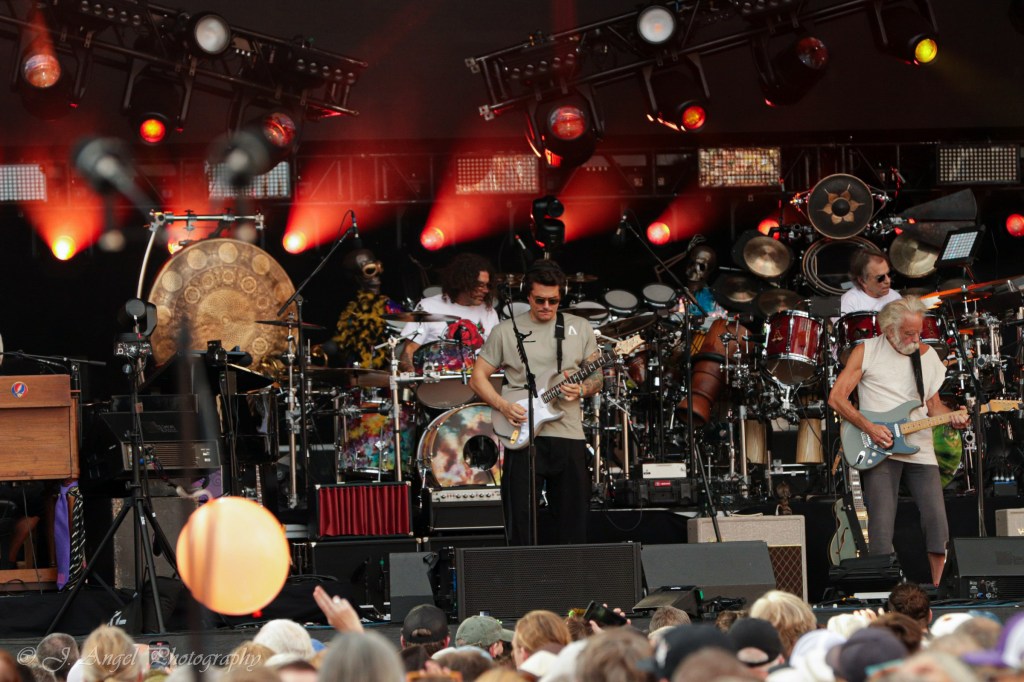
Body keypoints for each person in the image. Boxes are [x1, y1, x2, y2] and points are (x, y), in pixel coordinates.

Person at [828, 296, 969, 585]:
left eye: (918, 331)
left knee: (936, 522)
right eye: (908, 333)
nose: (916, 338)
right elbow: (836, 397)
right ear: (888, 329)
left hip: (921, 447)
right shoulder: (866, 351)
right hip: (879, 446)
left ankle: (940, 590)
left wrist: (953, 416)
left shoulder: (927, 356)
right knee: (881, 525)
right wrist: (869, 427)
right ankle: (883, 590)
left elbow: (934, 407)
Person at [469, 261, 602, 545]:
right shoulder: (506, 331)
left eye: (553, 301)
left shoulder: (578, 327)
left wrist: (583, 388)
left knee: (573, 522)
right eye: (540, 300)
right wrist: (503, 406)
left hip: (568, 433)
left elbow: (597, 377)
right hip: (523, 436)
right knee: (521, 523)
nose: (546, 306)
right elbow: (477, 377)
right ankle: (523, 583)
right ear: (527, 296)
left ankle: (571, 581)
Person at [399, 252, 500, 372]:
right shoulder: (428, 306)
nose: (486, 290)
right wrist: (411, 375)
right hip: (438, 384)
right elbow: (409, 352)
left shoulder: (489, 312)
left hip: (477, 384)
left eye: (487, 285)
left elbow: (497, 356)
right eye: (480, 285)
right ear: (462, 283)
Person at [328, 247, 403, 370]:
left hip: (390, 372)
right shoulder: (351, 313)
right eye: (369, 271)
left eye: (376, 266)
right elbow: (341, 341)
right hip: (361, 374)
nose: (376, 275)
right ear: (356, 278)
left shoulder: (390, 306)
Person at [839, 250, 902, 315]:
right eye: (880, 278)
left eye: (889, 274)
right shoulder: (850, 301)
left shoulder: (895, 298)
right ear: (863, 281)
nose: (888, 281)